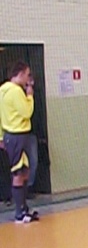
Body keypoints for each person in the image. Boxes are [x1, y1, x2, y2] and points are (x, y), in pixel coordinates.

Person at [0, 61, 39, 223]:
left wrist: (1, 136)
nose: (28, 79)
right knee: (18, 172)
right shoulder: (15, 91)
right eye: (27, 75)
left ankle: (24, 208)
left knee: (25, 170)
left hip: (12, 135)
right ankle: (19, 213)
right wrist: (29, 96)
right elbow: (26, 112)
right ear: (21, 74)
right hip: (16, 135)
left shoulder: (2, 91)